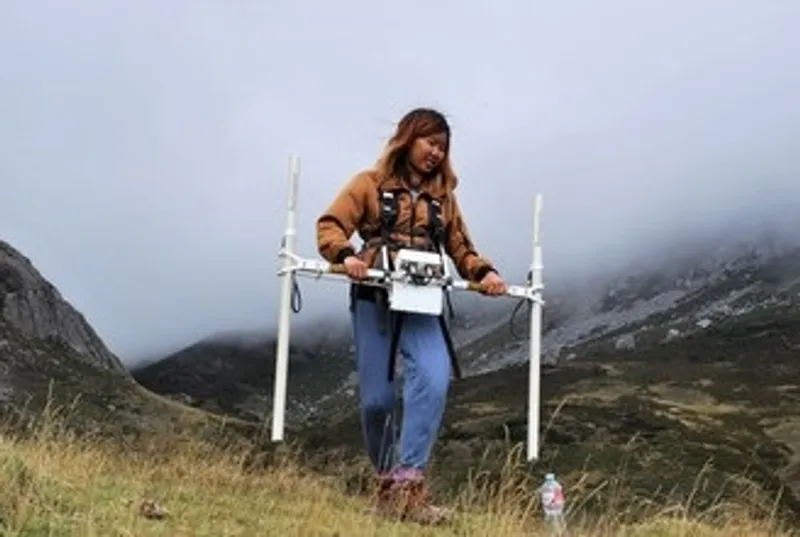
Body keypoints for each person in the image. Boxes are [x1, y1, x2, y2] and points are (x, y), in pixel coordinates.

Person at [316, 107, 507, 524]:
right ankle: (387, 485)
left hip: (422, 301)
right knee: (376, 402)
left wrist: (484, 273)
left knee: (434, 381)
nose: (436, 153)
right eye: (430, 143)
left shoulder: (444, 199)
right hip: (374, 298)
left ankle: (410, 484)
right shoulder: (368, 184)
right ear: (408, 139)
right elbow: (330, 226)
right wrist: (346, 256)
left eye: (442, 147)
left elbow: (461, 248)